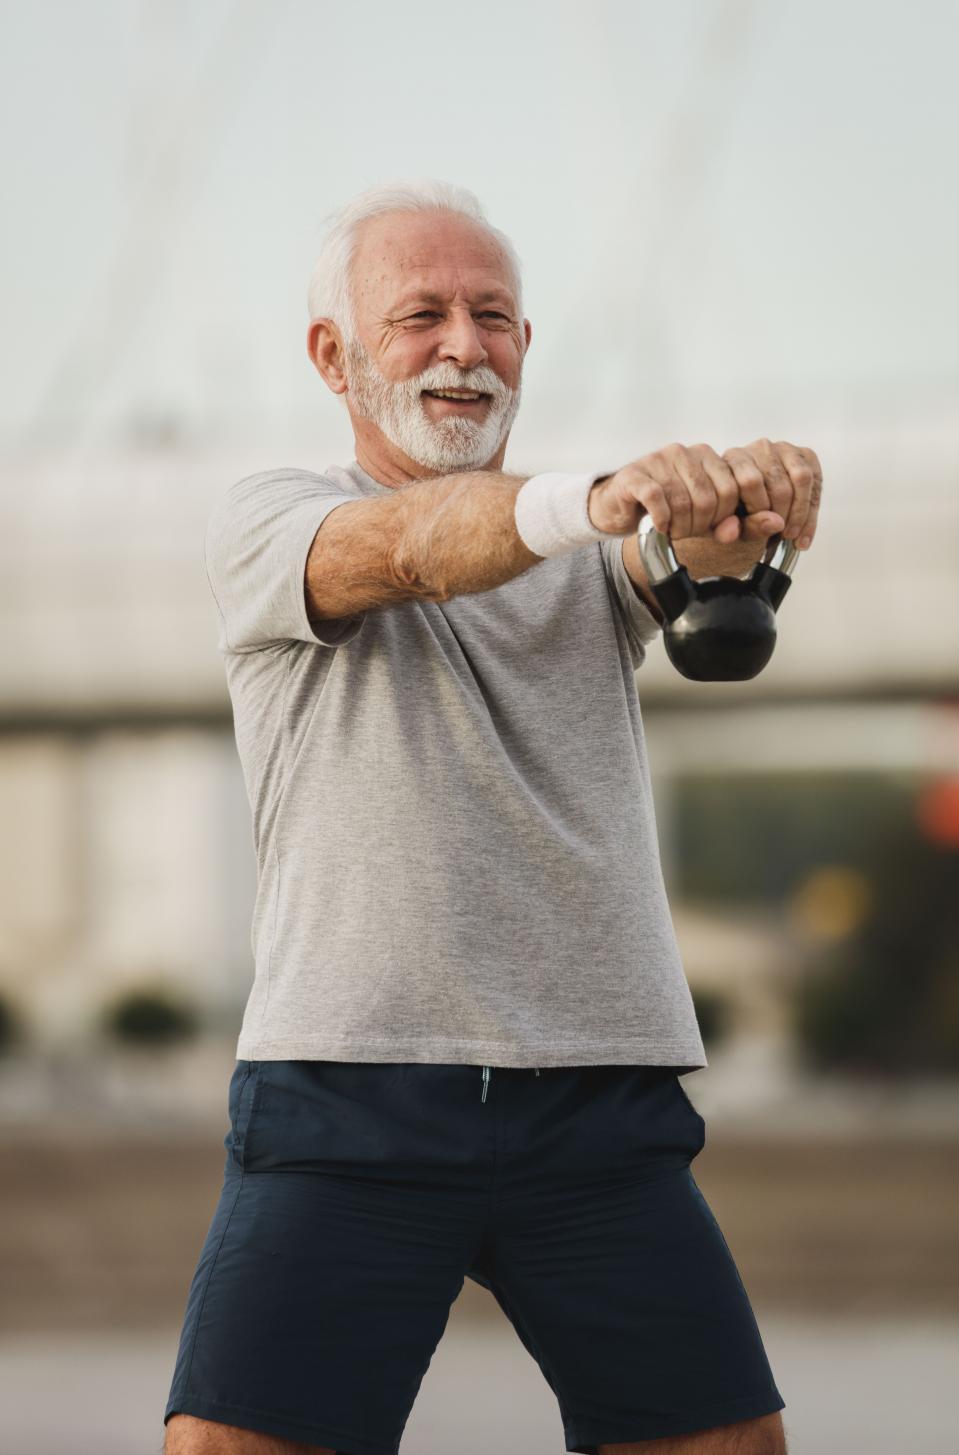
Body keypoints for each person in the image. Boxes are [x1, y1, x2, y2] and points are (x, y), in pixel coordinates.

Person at [163, 178, 822, 1455]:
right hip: (353, 1088)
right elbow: (413, 550)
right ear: (333, 355)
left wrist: (750, 503)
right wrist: (601, 495)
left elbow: (686, 565)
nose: (465, 345)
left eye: (495, 316)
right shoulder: (272, 521)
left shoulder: (591, 550)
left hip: (597, 1096)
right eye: (421, 315)